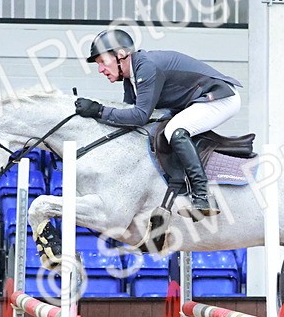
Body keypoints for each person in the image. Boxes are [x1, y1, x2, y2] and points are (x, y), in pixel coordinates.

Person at [74, 29, 242, 218]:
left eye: (103, 62)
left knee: (175, 131)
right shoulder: (131, 77)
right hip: (196, 100)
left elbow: (139, 116)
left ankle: (203, 197)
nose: (100, 70)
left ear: (121, 55)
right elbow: (128, 118)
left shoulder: (146, 67)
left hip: (221, 98)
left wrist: (98, 110)